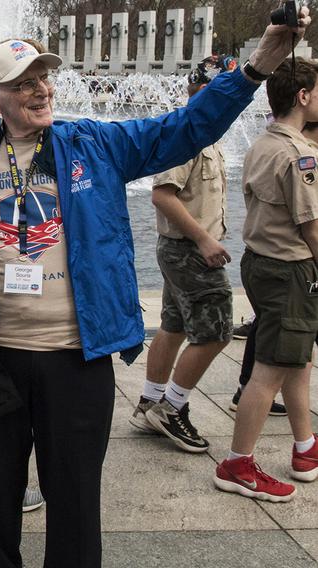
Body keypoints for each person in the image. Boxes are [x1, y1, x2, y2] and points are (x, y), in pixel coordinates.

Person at [0, 16, 308, 566]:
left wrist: (256, 67)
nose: (40, 90)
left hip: (75, 360)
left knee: (76, 504)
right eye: (23, 82)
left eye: (44, 78)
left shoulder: (96, 144)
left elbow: (185, 128)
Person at [214, 57, 318, 503]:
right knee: (270, 370)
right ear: (304, 96)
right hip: (289, 270)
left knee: (295, 358)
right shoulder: (300, 154)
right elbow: (312, 226)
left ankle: (306, 446)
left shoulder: (261, 143)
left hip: (260, 262)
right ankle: (238, 462)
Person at [128, 56, 237, 453]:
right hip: (191, 252)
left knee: (173, 326)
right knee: (217, 331)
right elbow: (162, 195)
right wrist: (205, 240)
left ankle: (149, 401)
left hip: (181, 250)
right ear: (207, 92)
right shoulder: (189, 133)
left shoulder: (206, 131)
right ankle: (171, 407)